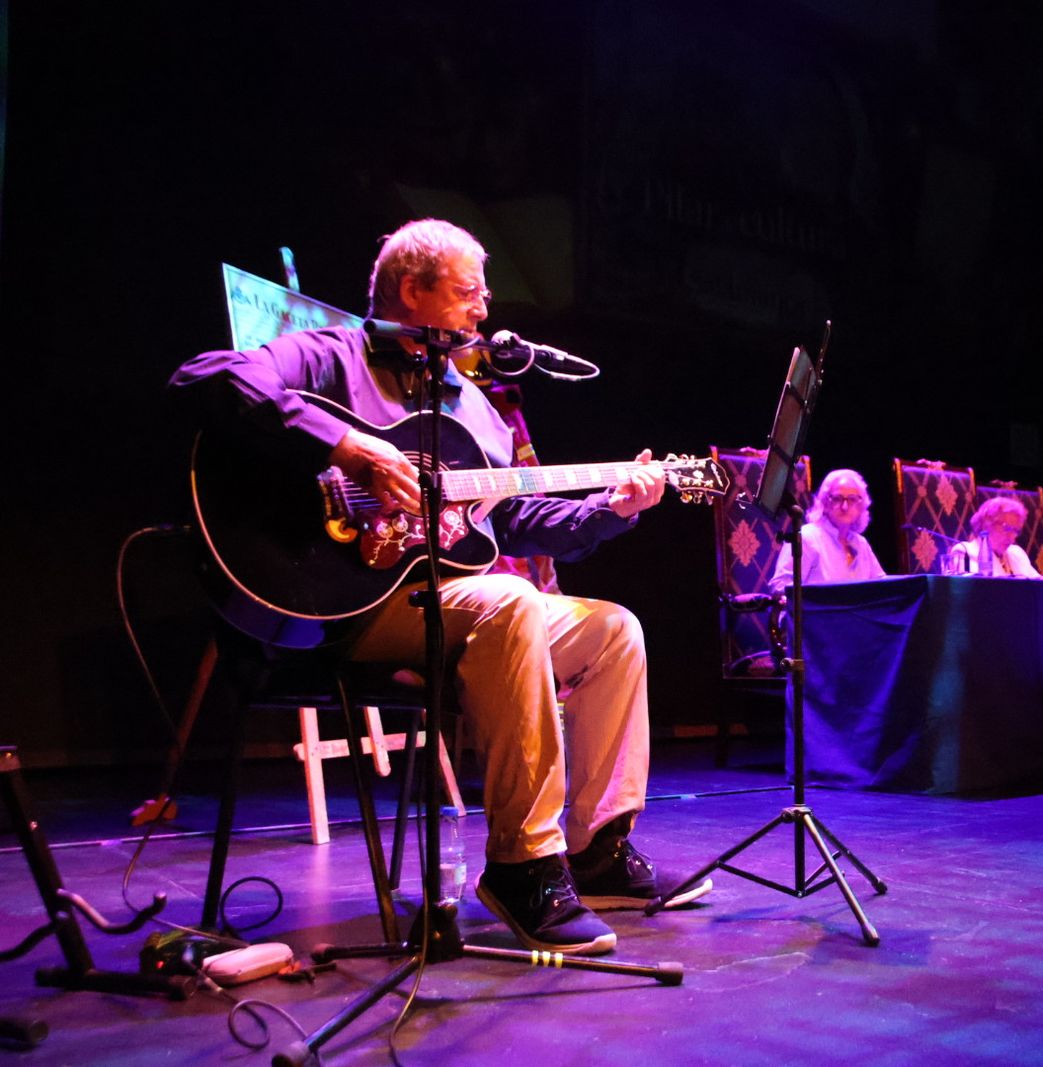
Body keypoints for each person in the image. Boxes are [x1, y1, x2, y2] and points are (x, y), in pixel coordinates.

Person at [169, 219, 709, 957]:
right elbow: (206, 377)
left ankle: (596, 852)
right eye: (465, 292)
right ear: (410, 290)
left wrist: (610, 509)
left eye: (483, 294)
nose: (483, 309)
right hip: (340, 604)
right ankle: (523, 865)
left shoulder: (473, 405)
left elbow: (512, 519)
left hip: (443, 602)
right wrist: (345, 446)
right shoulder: (332, 355)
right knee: (510, 602)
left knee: (612, 629)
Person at [767, 468, 887, 595]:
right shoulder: (806, 537)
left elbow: (883, 586)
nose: (844, 506)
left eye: (852, 499)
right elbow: (780, 585)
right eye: (837, 498)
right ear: (824, 503)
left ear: (861, 506)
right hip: (816, 608)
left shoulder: (861, 543)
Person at [946, 496, 1040, 577]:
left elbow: (1038, 583)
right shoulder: (964, 551)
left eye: (1016, 531)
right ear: (986, 524)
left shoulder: (1017, 553)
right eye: (1007, 528)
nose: (1012, 537)